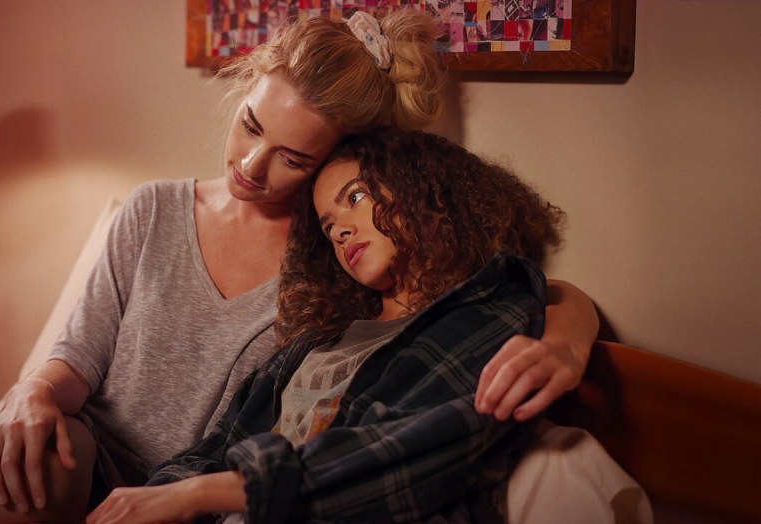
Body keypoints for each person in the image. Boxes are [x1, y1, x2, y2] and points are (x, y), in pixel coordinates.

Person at [0, 9, 596, 523]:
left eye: (293, 158)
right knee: (25, 460)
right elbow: (76, 359)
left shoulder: (343, 256)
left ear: (339, 159)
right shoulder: (152, 210)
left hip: (193, 497)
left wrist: (566, 342)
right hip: (85, 459)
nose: (252, 166)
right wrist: (31, 395)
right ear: (242, 91)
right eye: (250, 126)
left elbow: (515, 291)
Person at [85, 126, 564, 523]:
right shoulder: (319, 340)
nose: (342, 231)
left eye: (355, 197)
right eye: (329, 225)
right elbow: (218, 447)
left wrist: (195, 495)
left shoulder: (485, 315)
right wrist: (164, 492)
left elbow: (390, 459)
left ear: (421, 187)